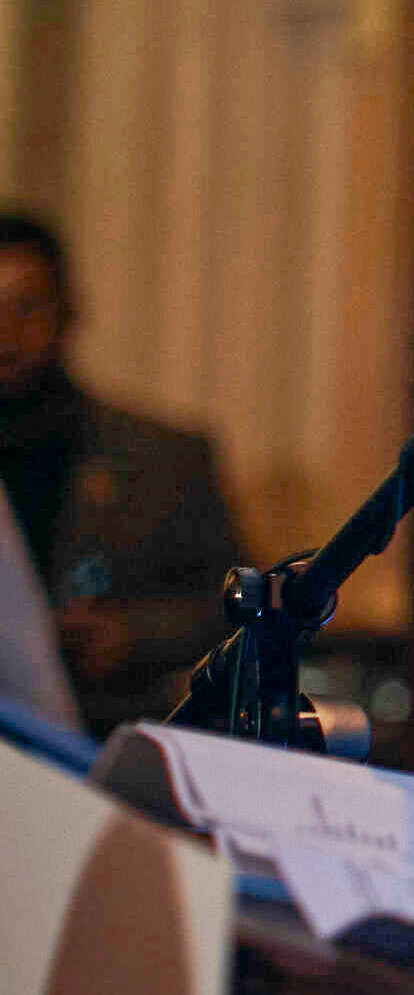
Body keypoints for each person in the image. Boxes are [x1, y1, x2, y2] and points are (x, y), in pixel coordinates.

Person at [0, 211, 245, 734]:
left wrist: (134, 634)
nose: (7, 334)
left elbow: (237, 604)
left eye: (28, 306)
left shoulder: (165, 458)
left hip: (112, 737)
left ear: (69, 313)